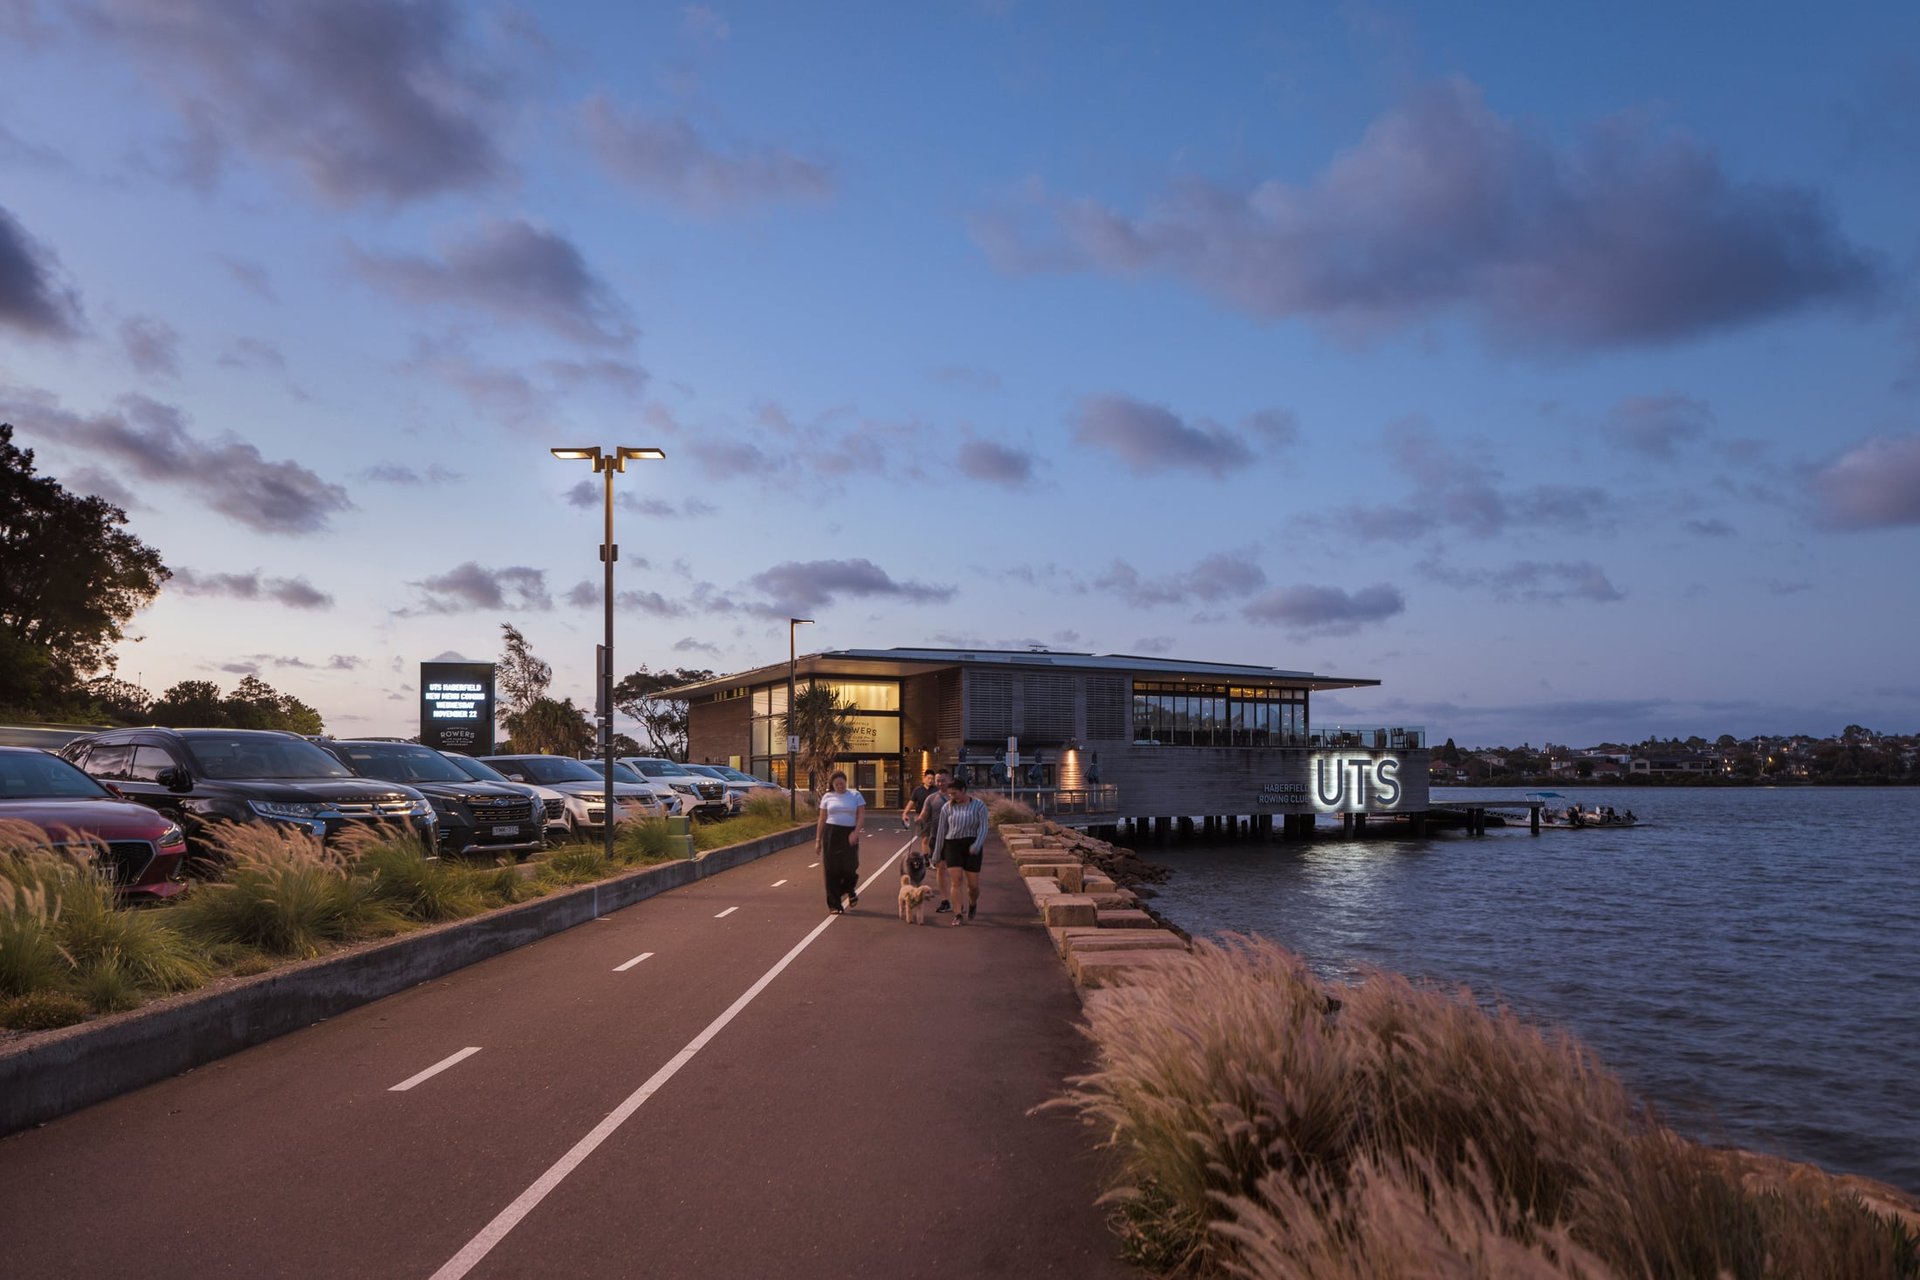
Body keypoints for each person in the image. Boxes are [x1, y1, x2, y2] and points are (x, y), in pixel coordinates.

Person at [936, 775, 989, 924]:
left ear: (963, 790)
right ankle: (958, 914)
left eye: (955, 793)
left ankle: (972, 903)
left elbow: (984, 827)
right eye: (950, 794)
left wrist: (977, 844)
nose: (952, 796)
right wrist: (936, 854)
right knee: (956, 880)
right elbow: (941, 830)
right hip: (952, 845)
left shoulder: (978, 805)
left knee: (973, 886)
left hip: (972, 845)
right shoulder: (947, 807)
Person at [815, 769, 865, 913]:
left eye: (842, 783)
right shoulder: (827, 796)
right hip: (831, 833)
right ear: (832, 785)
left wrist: (856, 832)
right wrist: (818, 840)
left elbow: (861, 816)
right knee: (831, 870)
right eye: (836, 784)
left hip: (849, 833)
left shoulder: (855, 795)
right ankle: (834, 905)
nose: (840, 786)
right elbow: (822, 819)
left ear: (846, 782)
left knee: (850, 868)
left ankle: (850, 889)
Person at [920, 768, 952, 912]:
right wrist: (918, 819)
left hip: (954, 839)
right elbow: (924, 815)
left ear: (949, 781)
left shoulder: (956, 797)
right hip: (936, 838)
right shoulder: (931, 798)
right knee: (941, 869)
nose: (939, 783)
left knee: (956, 871)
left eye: (943, 780)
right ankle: (945, 900)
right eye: (938, 780)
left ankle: (958, 900)